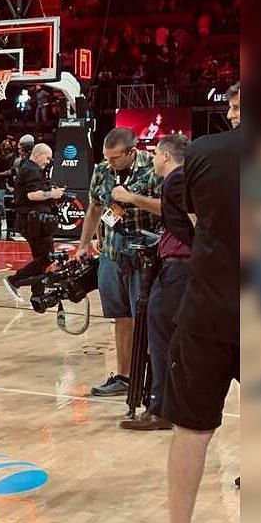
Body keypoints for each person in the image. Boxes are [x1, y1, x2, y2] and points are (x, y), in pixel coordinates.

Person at [151, 90, 241, 523]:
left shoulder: (205, 152)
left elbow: (190, 214)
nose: (229, 111)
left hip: (208, 310)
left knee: (191, 431)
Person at [79, 127, 161, 397]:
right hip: (113, 254)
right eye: (106, 157)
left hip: (146, 255)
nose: (109, 163)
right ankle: (124, 377)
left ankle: (148, 380)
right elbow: (95, 208)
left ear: (131, 152)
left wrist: (132, 198)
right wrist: (83, 243)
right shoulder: (102, 171)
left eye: (115, 158)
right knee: (121, 317)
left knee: (145, 319)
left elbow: (169, 206)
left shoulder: (154, 167)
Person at [119, 134, 190, 431]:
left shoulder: (175, 181)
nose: (154, 159)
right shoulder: (188, 180)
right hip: (182, 267)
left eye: (156, 154)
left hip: (180, 267)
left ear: (165, 156)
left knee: (160, 334)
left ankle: (161, 407)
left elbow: (192, 222)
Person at [4, 142, 66, 299]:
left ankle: (37, 294)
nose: (48, 161)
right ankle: (15, 280)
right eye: (47, 157)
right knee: (46, 257)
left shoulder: (32, 169)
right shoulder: (31, 169)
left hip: (35, 220)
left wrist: (52, 193)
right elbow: (32, 195)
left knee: (42, 258)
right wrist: (52, 194)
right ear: (39, 155)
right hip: (33, 221)